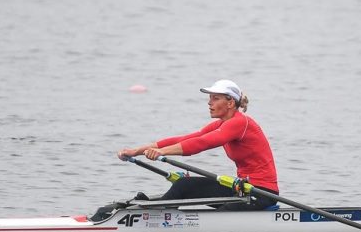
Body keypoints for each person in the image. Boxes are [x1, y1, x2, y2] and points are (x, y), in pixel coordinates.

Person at [91, 79, 279, 220]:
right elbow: (188, 139)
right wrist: (136, 151)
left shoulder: (239, 123)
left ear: (230, 103)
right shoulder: (223, 124)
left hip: (260, 193)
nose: (209, 102)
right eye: (209, 98)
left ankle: (150, 217)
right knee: (184, 185)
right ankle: (153, 212)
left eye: (215, 98)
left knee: (195, 195)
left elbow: (201, 144)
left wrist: (163, 153)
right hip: (241, 189)